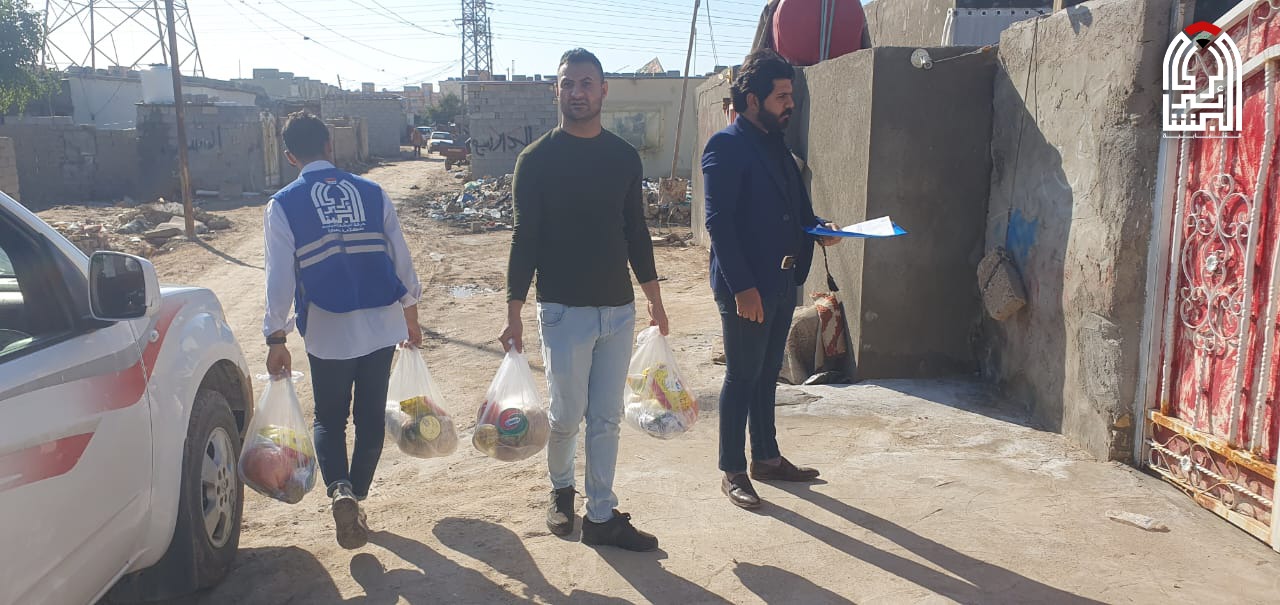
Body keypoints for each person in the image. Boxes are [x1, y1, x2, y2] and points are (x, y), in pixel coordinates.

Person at [501, 48, 667, 552]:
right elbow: (524, 239)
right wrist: (513, 312)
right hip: (563, 311)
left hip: (618, 311)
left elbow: (636, 232)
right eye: (568, 83)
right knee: (566, 416)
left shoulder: (623, 157)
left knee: (607, 417)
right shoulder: (535, 161)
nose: (577, 92)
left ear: (603, 90)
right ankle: (561, 492)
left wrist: (655, 300)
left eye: (586, 83)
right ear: (556, 90)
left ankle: (600, 515)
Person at [263, 112, 423, 549]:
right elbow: (400, 256)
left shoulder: (284, 204)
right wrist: (410, 313)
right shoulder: (372, 192)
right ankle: (359, 496)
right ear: (330, 146)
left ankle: (341, 491)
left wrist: (276, 337)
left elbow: (279, 278)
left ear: (290, 156)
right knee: (370, 417)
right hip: (382, 322)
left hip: (327, 327)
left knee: (330, 418)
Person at [701, 50, 843, 509]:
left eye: (790, 95)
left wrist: (821, 229)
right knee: (742, 376)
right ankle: (732, 470)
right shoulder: (725, 146)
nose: (790, 104)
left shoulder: (777, 146)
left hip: (783, 281)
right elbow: (720, 224)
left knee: (766, 375)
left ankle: (766, 457)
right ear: (751, 100)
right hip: (747, 288)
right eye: (781, 96)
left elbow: (798, 212)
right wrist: (743, 289)